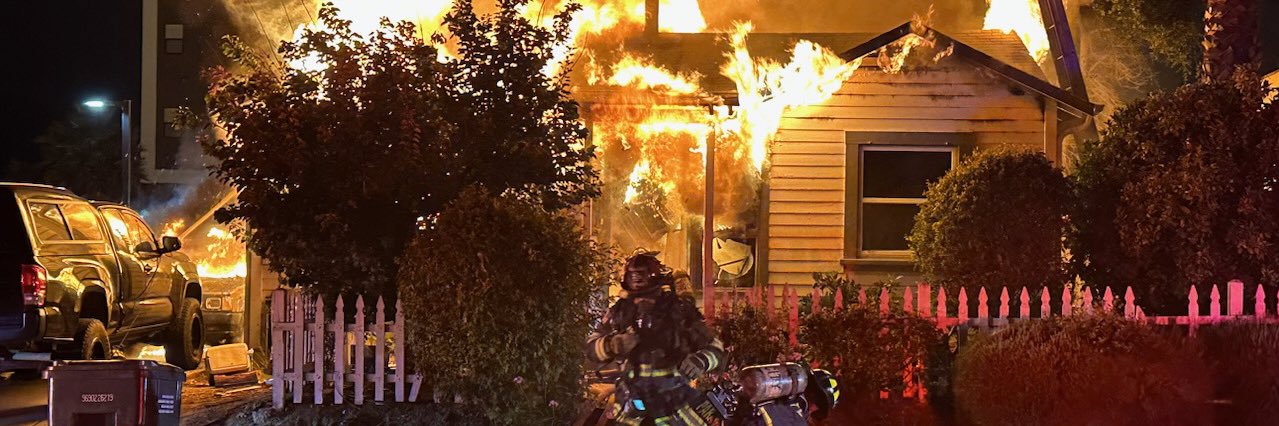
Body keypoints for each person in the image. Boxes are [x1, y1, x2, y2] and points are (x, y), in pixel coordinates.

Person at [586, 250, 725, 425]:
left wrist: (700, 361)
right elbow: (591, 347)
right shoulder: (618, 313)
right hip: (631, 408)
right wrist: (611, 345)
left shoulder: (678, 312)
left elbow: (716, 347)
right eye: (632, 276)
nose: (642, 306)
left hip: (673, 406)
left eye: (641, 276)